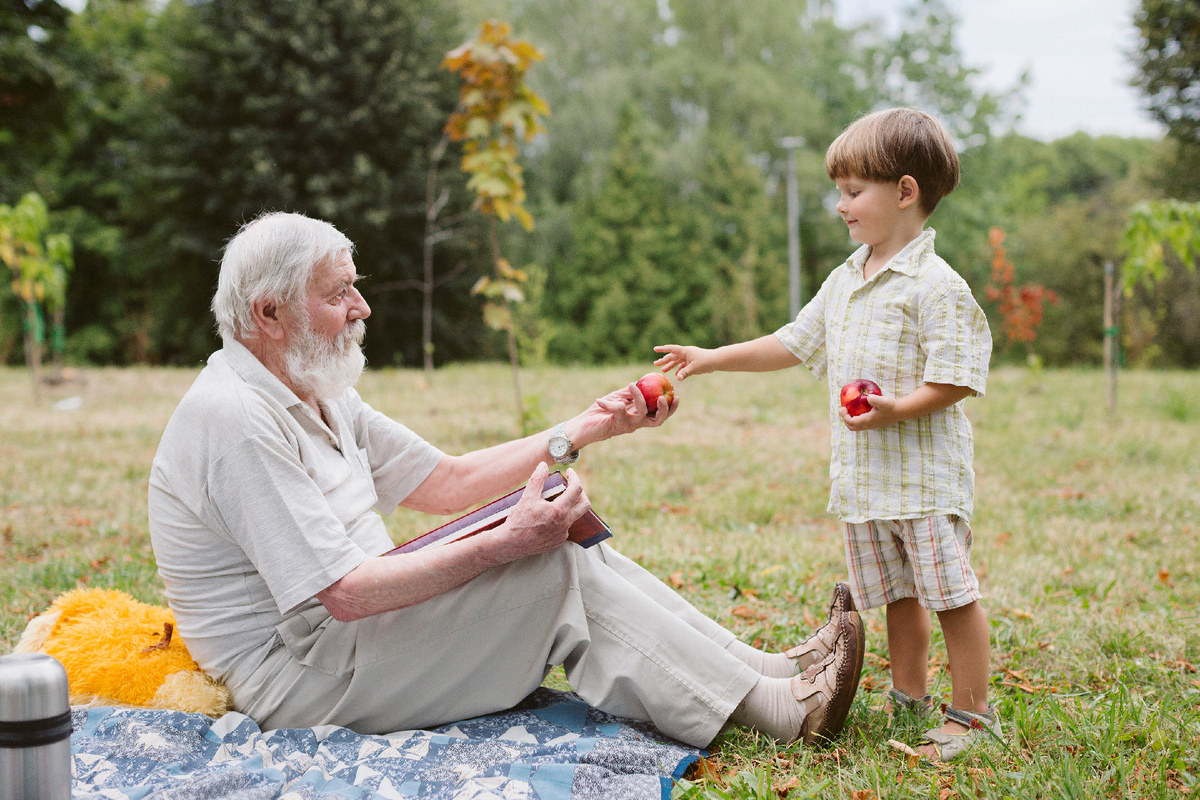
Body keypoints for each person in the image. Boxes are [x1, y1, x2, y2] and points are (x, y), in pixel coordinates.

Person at [147, 210, 865, 750]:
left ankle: (768, 671)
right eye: (339, 295)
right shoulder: (235, 417)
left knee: (568, 544)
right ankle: (783, 714)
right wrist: (502, 546)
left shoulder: (313, 388)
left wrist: (587, 427)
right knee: (544, 570)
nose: (362, 309)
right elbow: (344, 594)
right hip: (304, 676)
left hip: (347, 638)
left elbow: (446, 480)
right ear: (268, 314)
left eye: (355, 289)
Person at [654, 108, 997, 761]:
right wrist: (713, 355)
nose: (839, 205)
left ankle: (973, 717)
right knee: (895, 597)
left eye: (851, 191)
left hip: (922, 482)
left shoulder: (935, 285)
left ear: (904, 191)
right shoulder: (846, 280)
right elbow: (793, 342)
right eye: (839, 190)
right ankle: (909, 700)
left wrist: (896, 409)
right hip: (868, 486)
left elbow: (957, 378)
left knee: (950, 596)